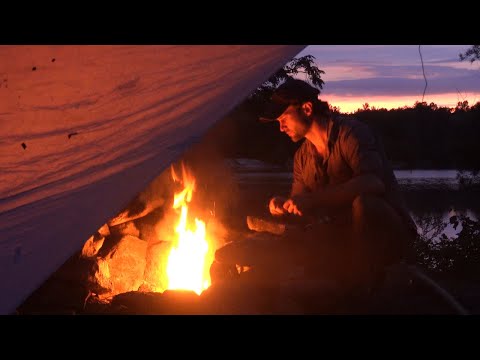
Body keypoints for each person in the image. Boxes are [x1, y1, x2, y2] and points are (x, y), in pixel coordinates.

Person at [213, 78, 418, 292]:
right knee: (293, 238)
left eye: (284, 117)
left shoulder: (351, 133)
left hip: (388, 235)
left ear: (307, 108)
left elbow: (373, 183)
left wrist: (314, 199)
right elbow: (300, 206)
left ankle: (361, 282)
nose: (281, 127)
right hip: (342, 239)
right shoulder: (303, 157)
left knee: (364, 204)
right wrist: (284, 206)